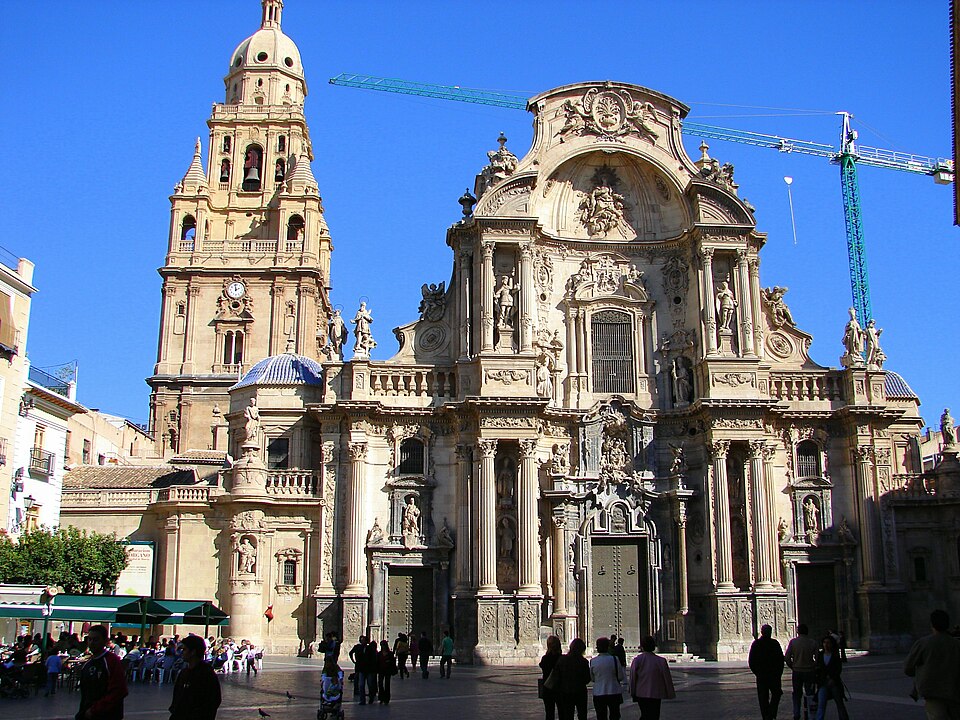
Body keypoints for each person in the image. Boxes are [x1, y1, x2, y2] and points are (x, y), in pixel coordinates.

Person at [904, 609, 960, 719]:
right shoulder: (956, 644)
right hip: (955, 691)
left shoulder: (923, 643)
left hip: (933, 692)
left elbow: (908, 668)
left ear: (932, 624)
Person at [77, 624, 129, 720]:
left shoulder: (111, 661)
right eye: (90, 639)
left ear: (105, 641)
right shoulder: (87, 664)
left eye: (96, 640)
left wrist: (96, 709)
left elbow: (120, 690)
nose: (92, 643)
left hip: (107, 715)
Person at [169, 635, 221, 720]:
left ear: (193, 652)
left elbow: (212, 702)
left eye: (184, 649)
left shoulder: (206, 674)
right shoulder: (184, 673)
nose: (182, 652)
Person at [628, 636, 675, 720]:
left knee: (645, 714)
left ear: (642, 646)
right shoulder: (661, 661)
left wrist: (632, 692)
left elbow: (633, 678)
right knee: (655, 715)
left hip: (641, 693)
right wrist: (670, 693)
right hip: (656, 694)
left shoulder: (637, 660)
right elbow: (667, 678)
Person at [749, 624, 785, 720]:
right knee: (776, 693)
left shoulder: (756, 644)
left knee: (763, 697)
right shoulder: (774, 643)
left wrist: (757, 672)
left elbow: (751, 661)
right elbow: (781, 660)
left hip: (762, 675)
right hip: (773, 675)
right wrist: (779, 673)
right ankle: (771, 713)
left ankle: (766, 715)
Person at [785, 623, 819, 720]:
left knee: (796, 693)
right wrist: (813, 666)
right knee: (810, 693)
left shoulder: (793, 642)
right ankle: (811, 714)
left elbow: (787, 657)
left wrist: (793, 666)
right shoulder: (813, 642)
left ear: (798, 631)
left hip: (797, 671)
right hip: (809, 671)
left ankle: (796, 713)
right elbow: (817, 659)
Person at [553, 638, 591, 720]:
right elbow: (587, 679)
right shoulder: (584, 662)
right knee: (582, 714)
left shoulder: (562, 660)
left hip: (565, 691)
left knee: (567, 714)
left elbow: (557, 676)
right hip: (580, 691)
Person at [590, 637, 626, 720]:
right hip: (614, 691)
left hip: (599, 693)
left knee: (601, 716)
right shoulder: (614, 659)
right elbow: (620, 677)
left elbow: (592, 679)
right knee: (615, 715)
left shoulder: (593, 661)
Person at [814, 635, 849, 720]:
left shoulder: (835, 655)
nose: (826, 645)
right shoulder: (820, 655)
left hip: (834, 683)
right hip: (823, 683)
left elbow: (838, 669)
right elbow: (817, 668)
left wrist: (833, 678)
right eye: (824, 642)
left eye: (828, 643)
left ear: (832, 644)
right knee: (821, 704)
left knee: (839, 703)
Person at [540, 636, 563, 720]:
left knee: (549, 713)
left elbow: (542, 666)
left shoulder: (545, 659)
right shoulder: (562, 659)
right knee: (562, 711)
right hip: (560, 688)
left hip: (548, 687)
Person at [376, 640, 395, 704]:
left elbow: (393, 662)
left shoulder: (390, 654)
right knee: (380, 684)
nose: (383, 647)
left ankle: (386, 698)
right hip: (381, 670)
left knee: (387, 684)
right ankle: (381, 697)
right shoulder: (379, 654)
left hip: (387, 670)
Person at [348, 636, 367, 702]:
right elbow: (350, 653)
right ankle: (357, 690)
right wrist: (353, 661)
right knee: (357, 677)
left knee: (359, 678)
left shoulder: (367, 648)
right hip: (359, 665)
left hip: (364, 665)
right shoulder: (357, 647)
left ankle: (359, 691)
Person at [362, 636, 378, 703]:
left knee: (368, 683)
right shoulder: (374, 652)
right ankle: (370, 696)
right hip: (369, 670)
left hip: (369, 669)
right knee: (369, 683)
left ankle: (370, 696)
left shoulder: (369, 651)